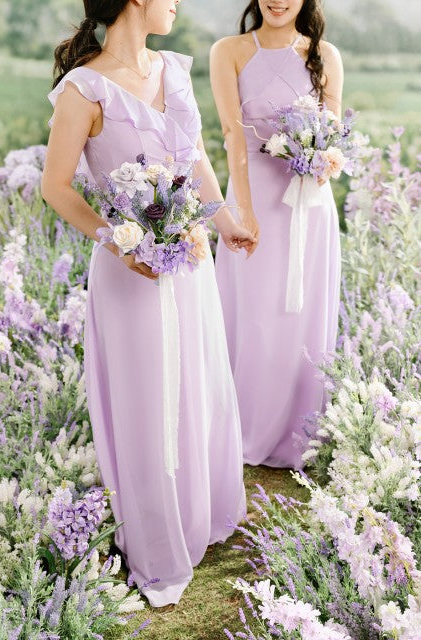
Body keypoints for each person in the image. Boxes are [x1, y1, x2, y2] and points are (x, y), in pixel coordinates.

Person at [41, 0, 255, 608]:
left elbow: (194, 160)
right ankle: (157, 542)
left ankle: (198, 516)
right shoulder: (83, 88)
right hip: (128, 274)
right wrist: (119, 239)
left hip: (189, 264)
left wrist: (225, 221)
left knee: (196, 386)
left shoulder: (174, 69)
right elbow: (56, 186)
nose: (178, 3)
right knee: (147, 402)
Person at [211, 0, 343, 468]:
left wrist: (321, 164)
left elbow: (332, 137)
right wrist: (243, 209)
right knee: (255, 314)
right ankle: (241, 428)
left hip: (308, 205)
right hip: (254, 198)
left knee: (303, 316)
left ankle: (299, 433)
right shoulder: (228, 51)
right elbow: (232, 133)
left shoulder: (325, 55)